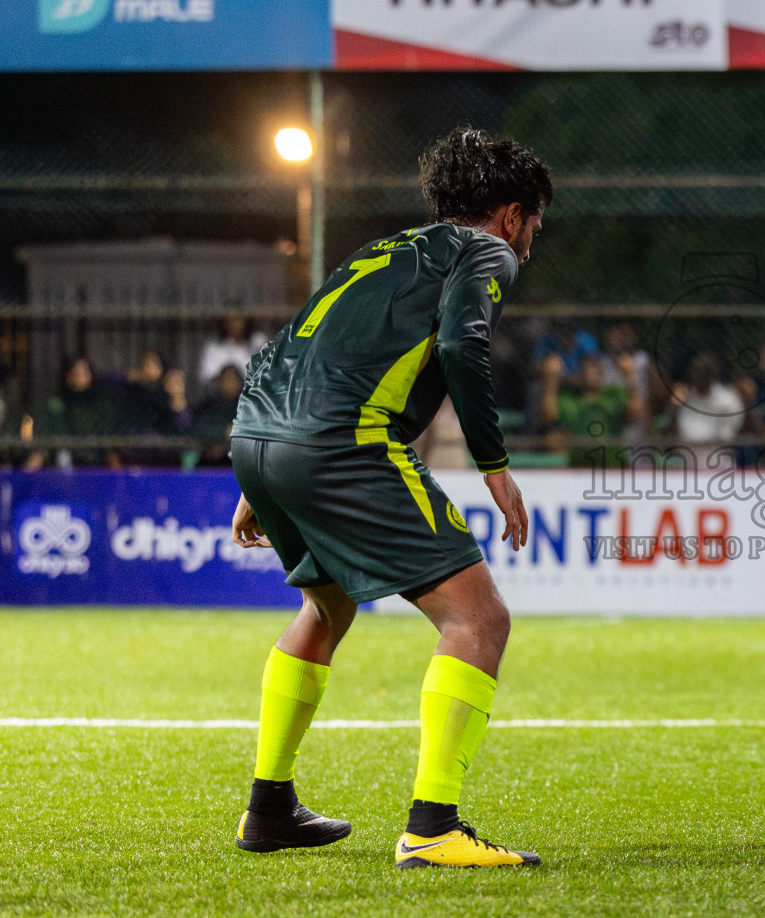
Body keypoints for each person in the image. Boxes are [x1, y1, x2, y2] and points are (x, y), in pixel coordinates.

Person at [227, 127, 551, 869]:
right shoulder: (486, 250)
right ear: (509, 214)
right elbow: (461, 345)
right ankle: (434, 825)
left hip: (262, 428)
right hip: (342, 442)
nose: (531, 239)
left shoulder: (386, 249)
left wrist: (256, 467)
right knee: (479, 619)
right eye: (533, 221)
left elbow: (296, 341)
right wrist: (494, 466)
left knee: (324, 606)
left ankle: (269, 808)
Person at [537, 351, 643, 466]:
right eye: (586, 368)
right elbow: (548, 417)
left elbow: (635, 413)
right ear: (580, 372)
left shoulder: (614, 394)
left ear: (601, 371)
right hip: (580, 465)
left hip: (614, 464)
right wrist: (551, 380)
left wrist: (630, 376)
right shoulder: (570, 397)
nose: (591, 372)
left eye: (595, 367)